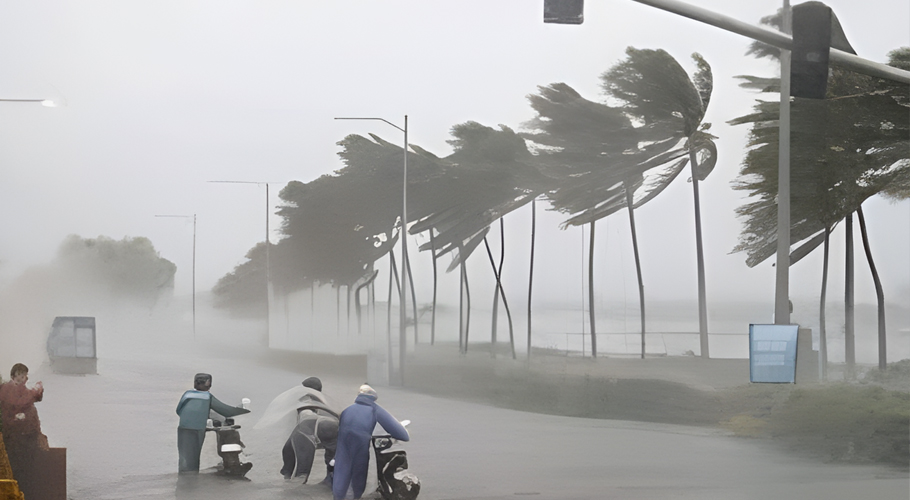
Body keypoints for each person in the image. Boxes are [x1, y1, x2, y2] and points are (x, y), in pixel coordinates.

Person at [332, 384, 408, 500]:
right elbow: (402, 435)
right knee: (358, 475)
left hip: (343, 446)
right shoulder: (374, 410)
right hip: (360, 445)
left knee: (342, 470)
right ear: (374, 398)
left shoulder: (347, 410)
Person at [175, 373, 249, 473]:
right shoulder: (207, 397)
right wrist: (243, 409)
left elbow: (179, 410)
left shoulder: (187, 394)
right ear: (208, 383)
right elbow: (226, 411)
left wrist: (190, 419)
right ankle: (231, 464)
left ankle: (186, 477)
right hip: (198, 428)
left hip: (184, 427)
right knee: (195, 452)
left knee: (186, 458)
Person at [280, 376, 339, 485]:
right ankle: (331, 479)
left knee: (293, 453)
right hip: (332, 427)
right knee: (331, 456)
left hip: (309, 427)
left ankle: (293, 481)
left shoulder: (304, 400)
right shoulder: (324, 399)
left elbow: (303, 420)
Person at [0, 363, 49, 473]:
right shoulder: (8, 389)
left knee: (24, 465)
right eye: (19, 375)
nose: (22, 378)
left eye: (24, 376)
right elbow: (20, 401)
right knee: (18, 466)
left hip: (25, 435)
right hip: (15, 436)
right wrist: (37, 391)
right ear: (13, 376)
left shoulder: (21, 390)